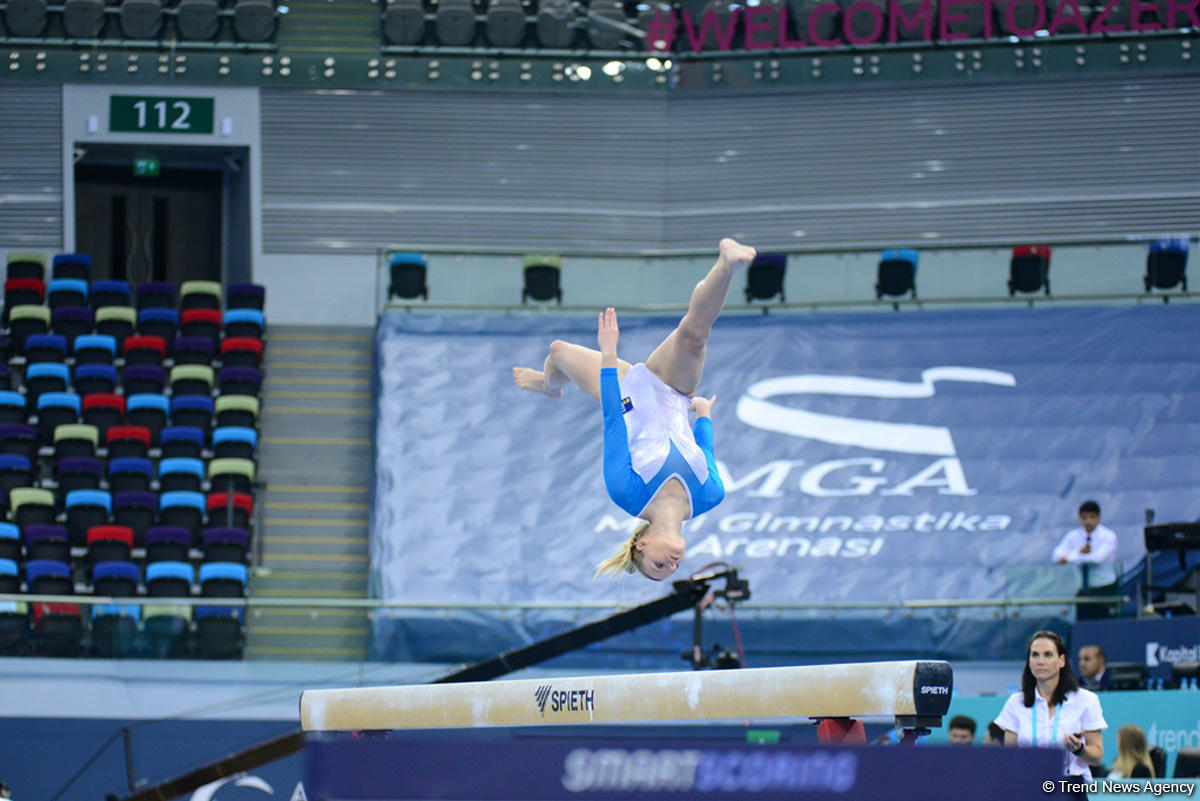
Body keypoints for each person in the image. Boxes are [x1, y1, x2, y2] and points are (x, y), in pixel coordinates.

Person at [513, 238, 757, 581]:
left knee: (557, 352)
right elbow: (705, 450)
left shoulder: (626, 493)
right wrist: (702, 415)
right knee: (695, 334)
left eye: (660, 565)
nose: (672, 563)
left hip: (624, 393)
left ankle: (548, 385)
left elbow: (612, 419)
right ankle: (727, 264)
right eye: (674, 568)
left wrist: (609, 353)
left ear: (642, 546)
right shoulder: (710, 496)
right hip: (673, 389)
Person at [995, 630, 1107, 799]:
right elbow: (1010, 756)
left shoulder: (1086, 700)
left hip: (1068, 786)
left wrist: (1079, 749)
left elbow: (1097, 756)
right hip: (1028, 786)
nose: (1040, 661)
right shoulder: (1015, 702)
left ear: (1061, 661)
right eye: (1035, 655)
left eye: (1048, 655)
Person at [1053, 500, 1118, 586]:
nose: (1088, 521)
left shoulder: (1109, 536)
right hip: (1082, 586)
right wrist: (1078, 553)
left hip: (1106, 586)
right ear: (1079, 518)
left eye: (1092, 517)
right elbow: (1056, 555)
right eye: (1084, 518)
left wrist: (1072, 556)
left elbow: (1097, 559)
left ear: (1098, 518)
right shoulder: (1073, 536)